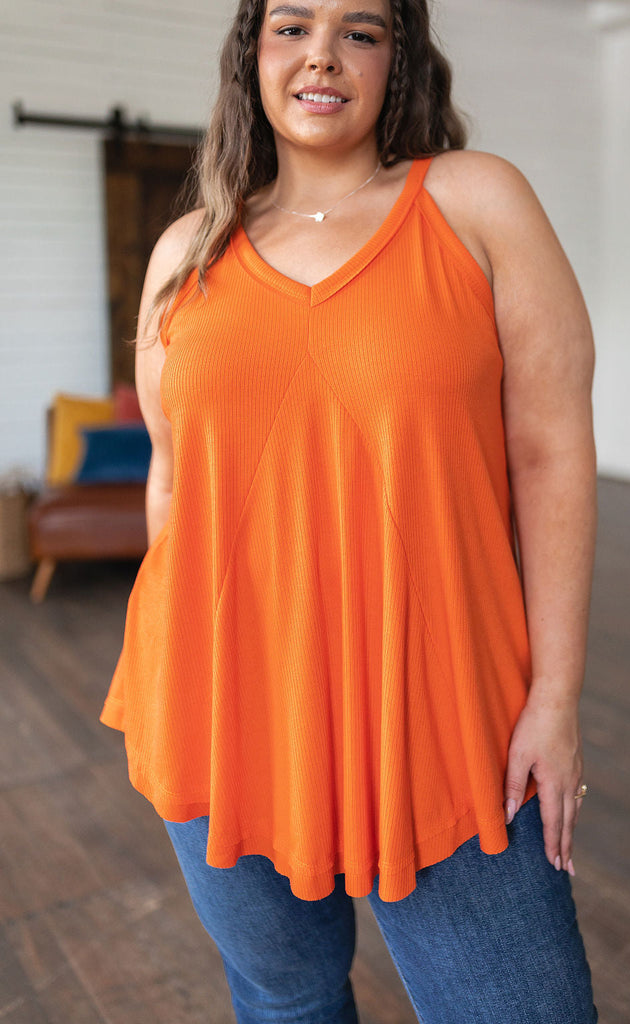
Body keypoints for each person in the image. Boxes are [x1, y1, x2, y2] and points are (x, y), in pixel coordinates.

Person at [100, 0, 600, 1021]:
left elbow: (548, 455)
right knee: (286, 1002)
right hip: (223, 709)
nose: (321, 55)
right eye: (291, 27)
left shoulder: (473, 200)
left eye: (358, 32)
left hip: (440, 709)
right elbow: (172, 480)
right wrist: (190, 662)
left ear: (395, 60)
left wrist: (551, 696)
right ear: (252, 56)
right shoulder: (186, 250)